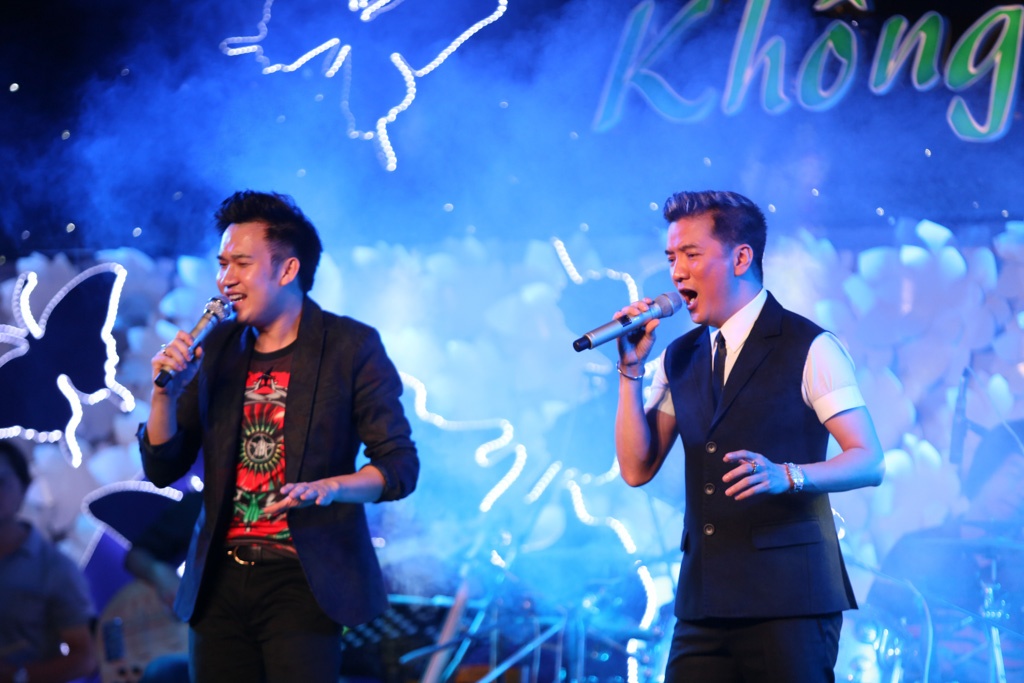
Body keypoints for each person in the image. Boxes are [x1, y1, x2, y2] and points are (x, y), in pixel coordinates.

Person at [138, 190, 419, 683]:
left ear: (288, 270)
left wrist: (333, 487)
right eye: (222, 264)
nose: (225, 279)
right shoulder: (218, 347)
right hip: (218, 580)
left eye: (241, 264)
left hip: (303, 578)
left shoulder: (349, 346)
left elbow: (398, 465)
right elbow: (163, 467)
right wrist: (164, 395)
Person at [612, 190, 885, 682]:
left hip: (790, 600)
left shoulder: (809, 346)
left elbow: (869, 459)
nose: (677, 273)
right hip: (704, 600)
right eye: (672, 258)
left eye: (691, 255)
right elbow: (637, 467)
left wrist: (789, 475)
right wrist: (630, 371)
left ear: (741, 258)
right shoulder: (679, 357)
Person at [867, 419, 1024, 681]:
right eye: (1014, 475)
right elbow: (872, 631)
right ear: (986, 469)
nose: (1020, 491)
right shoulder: (916, 549)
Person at [0, 440, 98, 683]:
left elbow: (85, 657)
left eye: (1, 482)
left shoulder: (53, 568)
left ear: (23, 487)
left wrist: (18, 676)